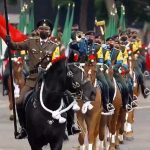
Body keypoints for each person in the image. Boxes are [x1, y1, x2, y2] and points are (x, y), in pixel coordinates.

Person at [6, 19, 80, 139]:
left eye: (46, 29)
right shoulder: (30, 42)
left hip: (49, 80)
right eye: (41, 29)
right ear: (38, 30)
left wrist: (49, 69)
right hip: (32, 79)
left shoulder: (55, 45)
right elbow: (16, 46)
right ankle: (24, 128)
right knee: (19, 102)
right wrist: (8, 41)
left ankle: (71, 126)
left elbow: (56, 61)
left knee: (68, 97)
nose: (44, 31)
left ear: (50, 31)